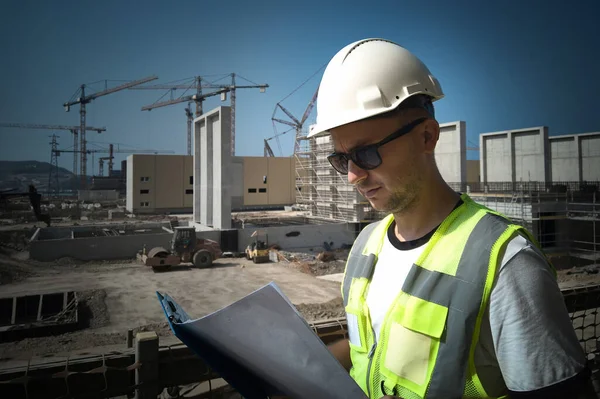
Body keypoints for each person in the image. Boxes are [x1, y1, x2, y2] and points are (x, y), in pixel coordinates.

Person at [307, 38, 596, 399]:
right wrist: (294, 370)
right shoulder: (366, 245)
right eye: (341, 159)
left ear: (426, 136)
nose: (352, 175)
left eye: (366, 153)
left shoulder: (505, 263)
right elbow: (370, 345)